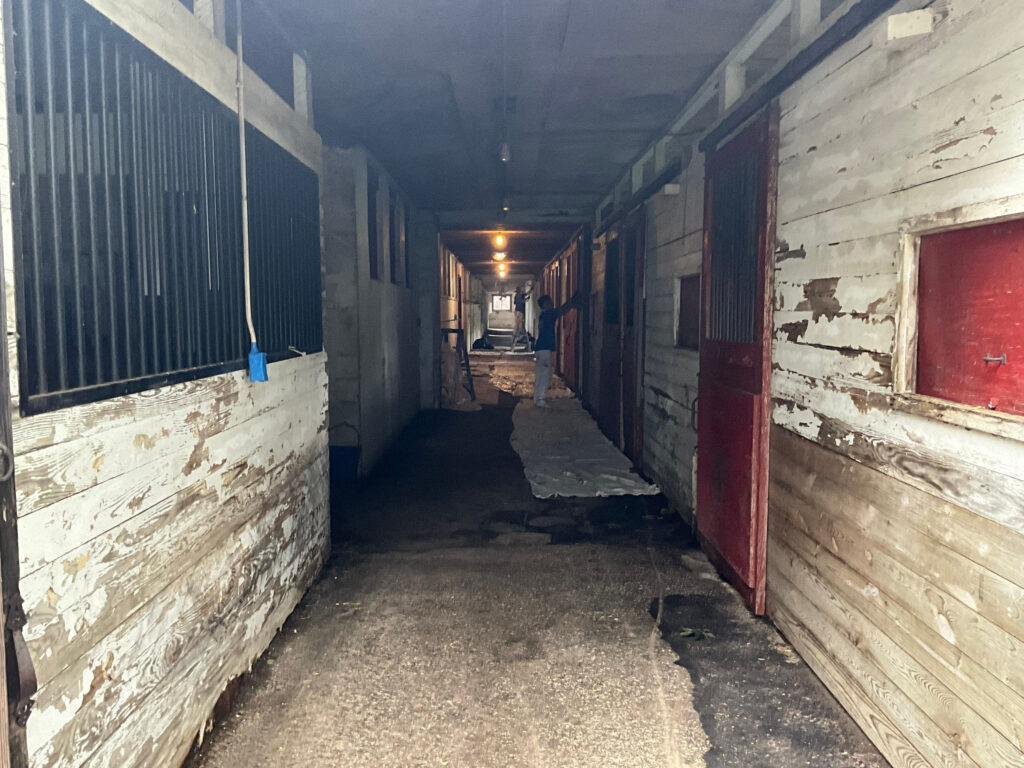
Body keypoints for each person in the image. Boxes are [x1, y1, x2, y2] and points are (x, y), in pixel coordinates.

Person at [533, 292, 580, 407]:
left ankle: (537, 398)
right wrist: (571, 302)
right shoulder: (548, 315)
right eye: (549, 302)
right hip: (544, 348)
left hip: (541, 348)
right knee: (545, 374)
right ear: (545, 304)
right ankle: (541, 399)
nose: (552, 303)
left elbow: (559, 310)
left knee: (541, 374)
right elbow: (561, 310)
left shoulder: (543, 315)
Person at [510, 285, 531, 351]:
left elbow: (515, 302)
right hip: (520, 311)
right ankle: (518, 331)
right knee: (518, 325)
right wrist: (526, 299)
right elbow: (522, 301)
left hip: (517, 311)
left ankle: (513, 346)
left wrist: (530, 290)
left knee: (518, 325)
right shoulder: (519, 295)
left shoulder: (517, 295)